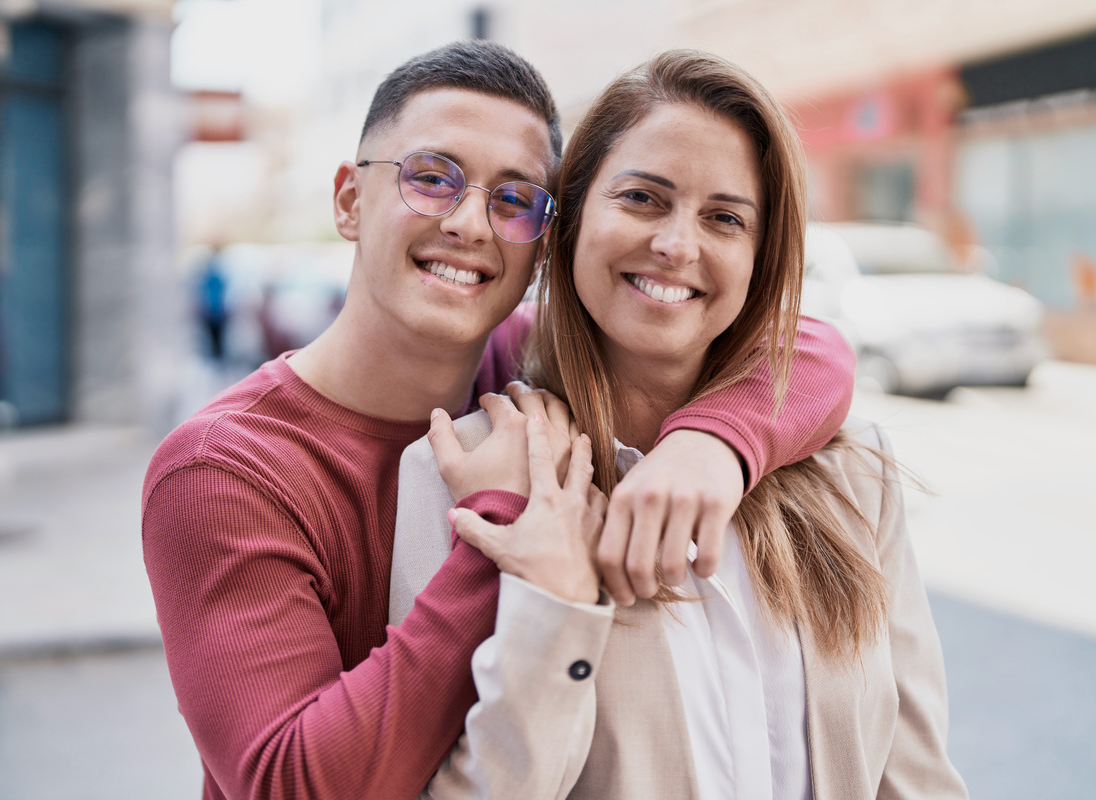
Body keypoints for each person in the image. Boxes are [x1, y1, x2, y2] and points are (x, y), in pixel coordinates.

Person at [142, 41, 855, 800]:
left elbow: (810, 349)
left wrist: (712, 445)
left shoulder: (526, 360)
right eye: (431, 179)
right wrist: (498, 535)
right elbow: (289, 785)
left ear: (545, 243)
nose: (471, 224)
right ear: (350, 200)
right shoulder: (225, 468)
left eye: (515, 199)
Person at [391, 50, 968, 799]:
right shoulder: (461, 473)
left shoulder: (854, 476)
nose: (677, 245)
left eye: (725, 218)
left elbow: (916, 778)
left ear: (762, 258)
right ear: (566, 225)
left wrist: (715, 444)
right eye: (642, 198)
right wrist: (558, 602)